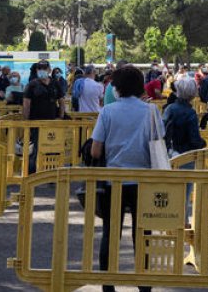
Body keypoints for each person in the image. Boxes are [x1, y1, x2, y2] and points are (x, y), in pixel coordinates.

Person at [88, 65, 161, 292]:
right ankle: (144, 284)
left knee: (111, 232)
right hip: (144, 181)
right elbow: (158, 145)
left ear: (116, 87)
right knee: (143, 234)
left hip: (113, 180)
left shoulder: (107, 112)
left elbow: (96, 151)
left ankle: (108, 284)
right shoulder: (151, 111)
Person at [162, 77, 205, 156]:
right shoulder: (190, 113)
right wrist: (203, 143)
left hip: (168, 152)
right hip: (185, 154)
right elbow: (194, 140)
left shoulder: (169, 108)